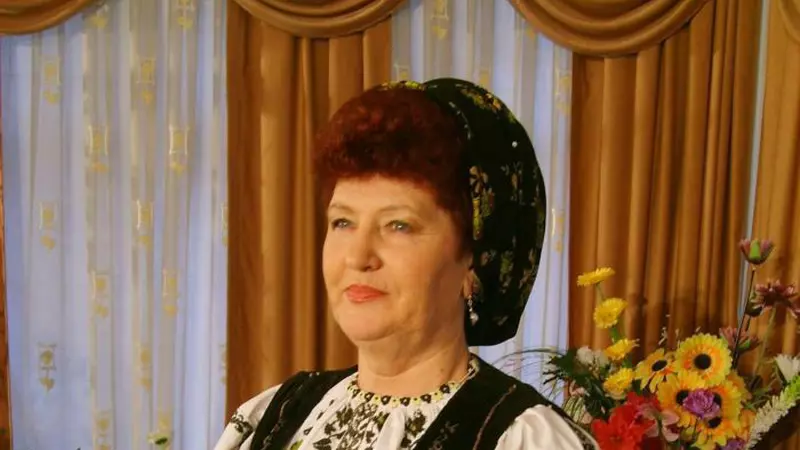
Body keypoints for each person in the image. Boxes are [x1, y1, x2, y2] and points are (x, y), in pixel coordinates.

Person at [214, 78, 597, 450]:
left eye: (399, 225)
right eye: (342, 222)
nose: (358, 256)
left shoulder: (523, 439)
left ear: (473, 261)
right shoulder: (278, 415)